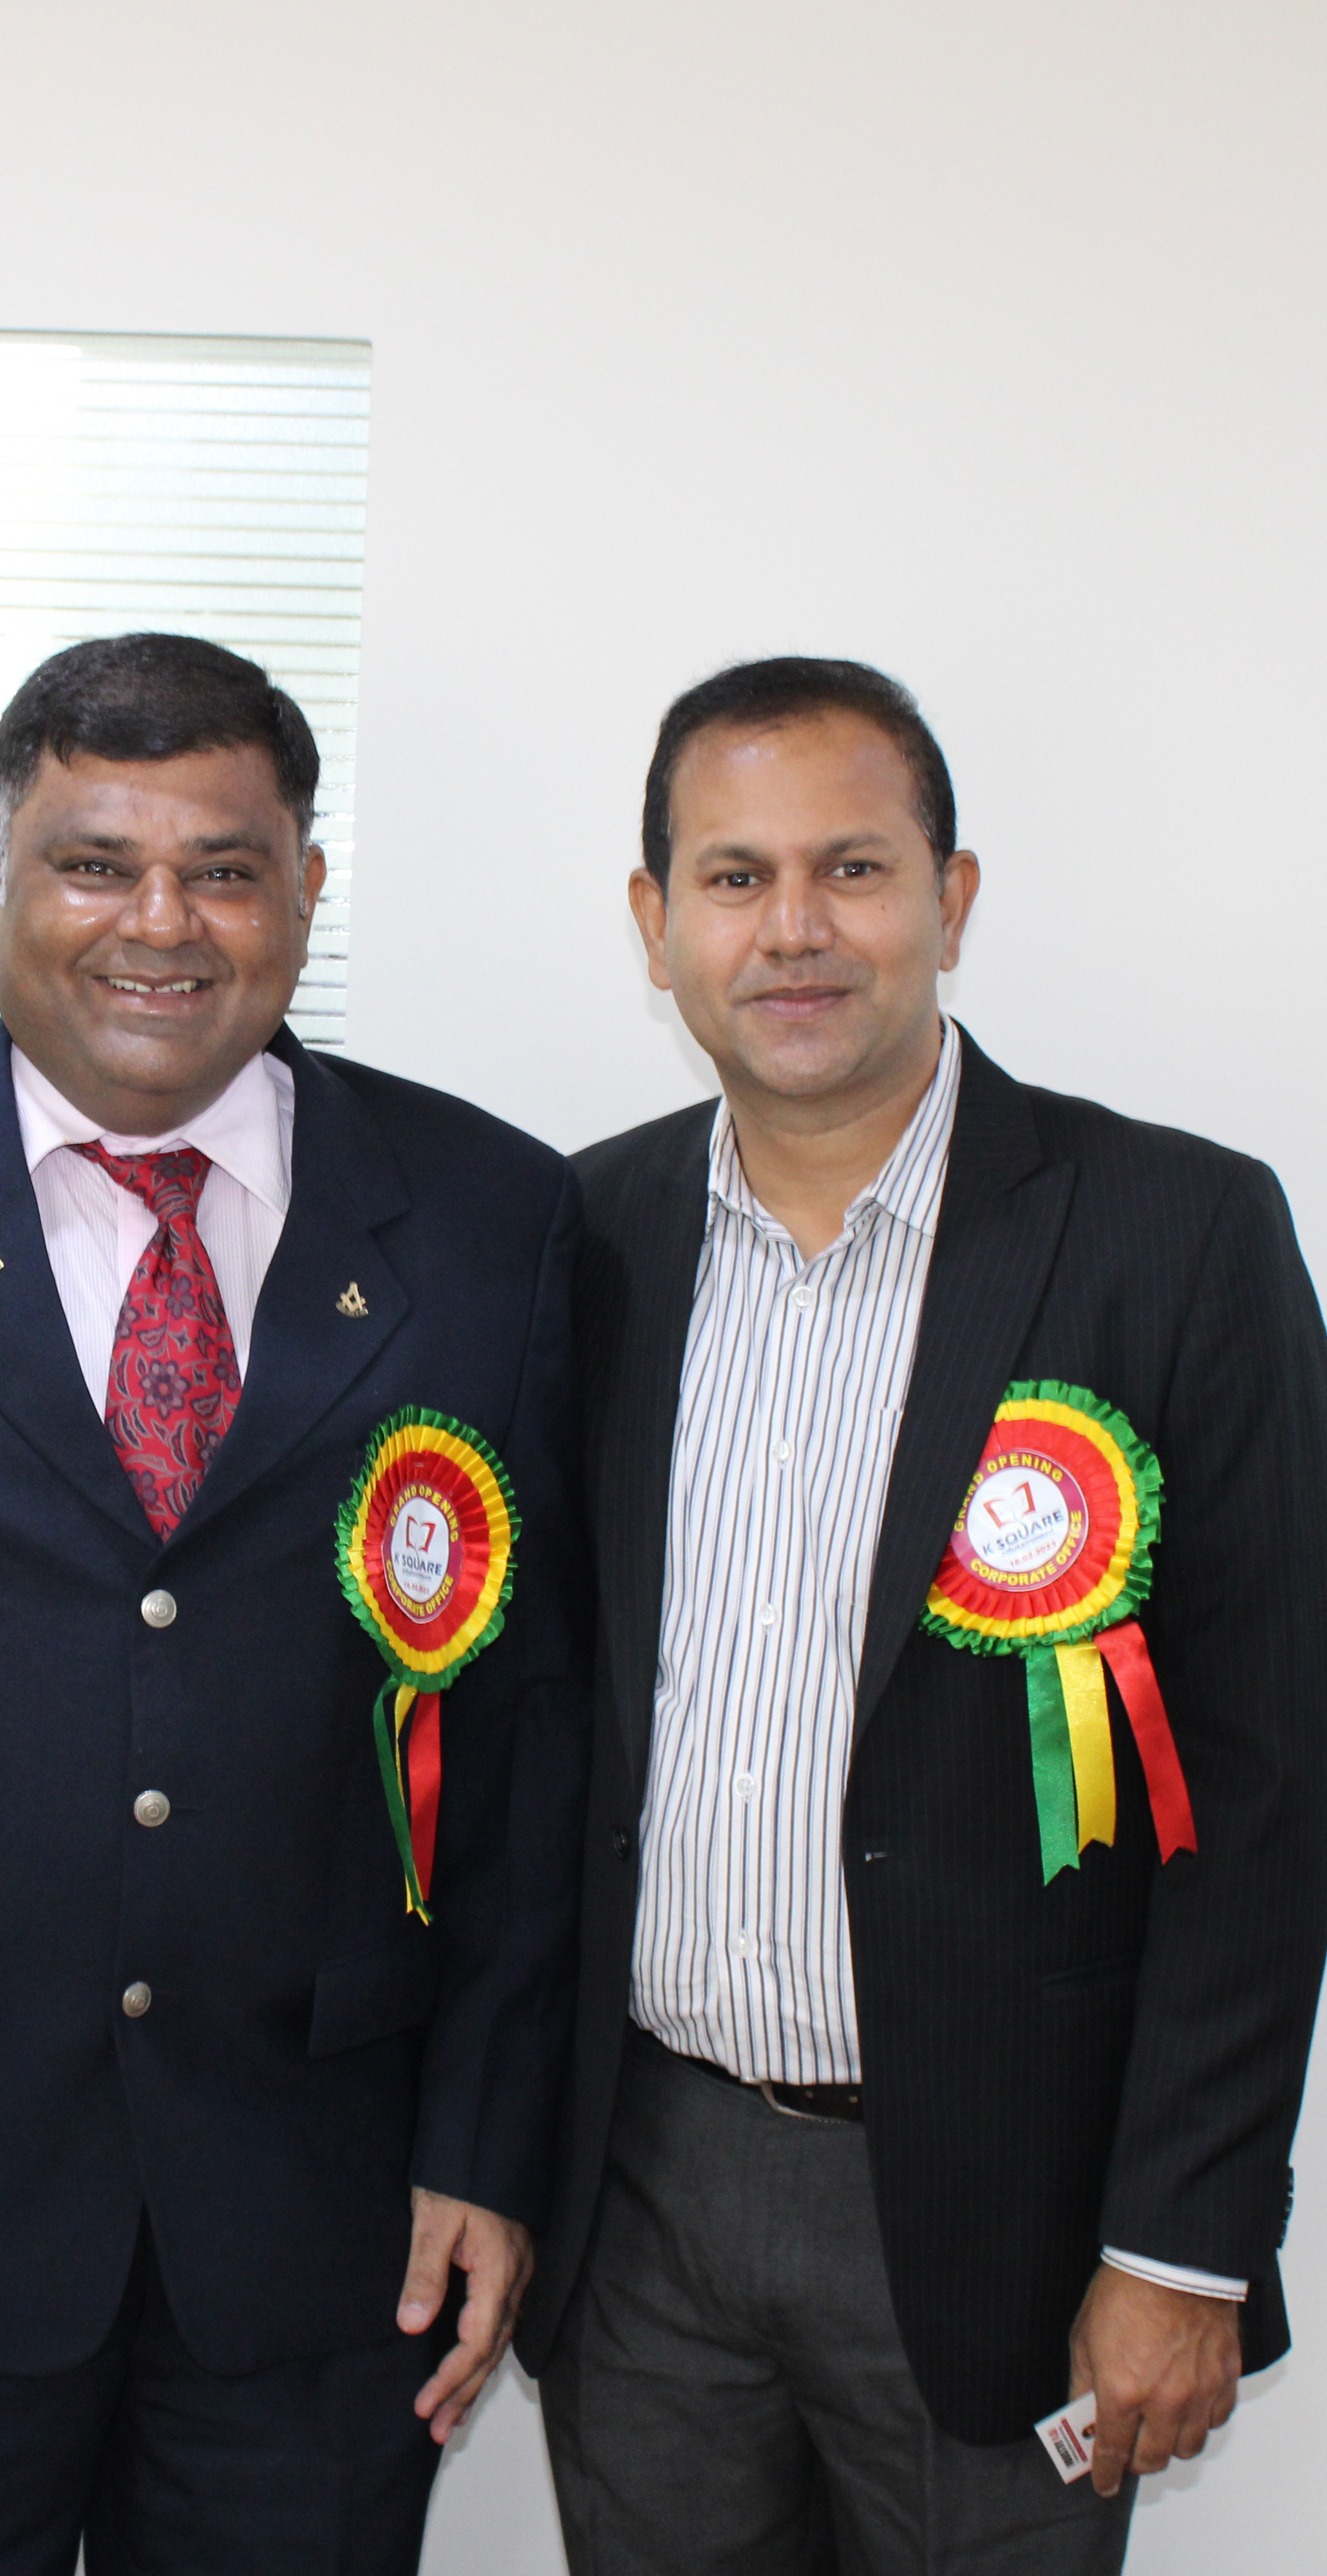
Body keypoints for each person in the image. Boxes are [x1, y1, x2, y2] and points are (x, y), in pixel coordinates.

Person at [0, 632, 587, 2574]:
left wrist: (487, 2139)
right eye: (94, 863)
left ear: (307, 892)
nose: (163, 923)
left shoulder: (494, 1218)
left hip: (329, 2221)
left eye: (227, 868)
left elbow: (530, 1733)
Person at [521, 656, 1327, 2572]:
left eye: (854, 869)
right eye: (732, 878)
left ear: (952, 900)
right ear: (655, 927)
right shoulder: (576, 1240)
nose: (794, 930)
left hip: (1013, 2212)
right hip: (643, 2196)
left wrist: (1179, 2239)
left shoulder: (1177, 1237)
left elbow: (1274, 1776)